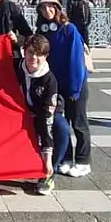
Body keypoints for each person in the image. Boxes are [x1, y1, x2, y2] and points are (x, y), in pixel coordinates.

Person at [33, 0, 91, 177]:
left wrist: (74, 88)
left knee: (79, 123)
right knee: (61, 125)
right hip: (55, 87)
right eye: (43, 8)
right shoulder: (43, 31)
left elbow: (76, 62)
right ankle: (66, 158)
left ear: (57, 8)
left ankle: (83, 161)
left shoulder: (69, 29)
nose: (47, 10)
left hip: (74, 85)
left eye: (50, 7)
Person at [16, 34, 70, 196]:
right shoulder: (16, 67)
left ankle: (48, 173)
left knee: (62, 129)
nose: (34, 57)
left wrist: (47, 158)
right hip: (21, 111)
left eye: (39, 54)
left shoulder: (49, 80)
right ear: (24, 52)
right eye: (30, 52)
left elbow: (47, 118)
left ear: (45, 57)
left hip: (45, 113)